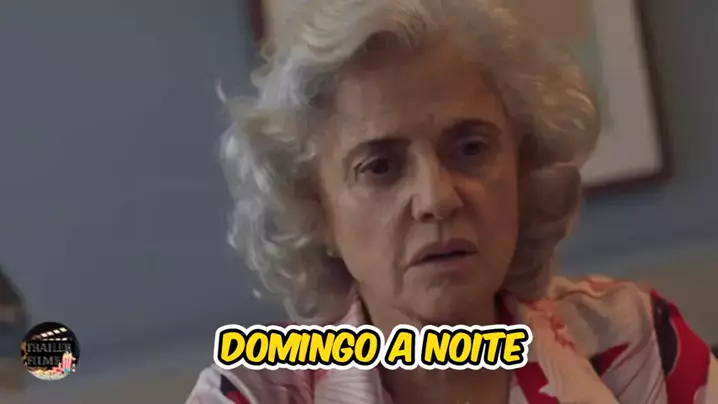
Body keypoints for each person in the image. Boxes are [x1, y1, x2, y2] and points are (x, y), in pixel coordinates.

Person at [187, 0, 718, 402]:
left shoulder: (635, 341)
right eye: (380, 167)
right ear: (316, 211)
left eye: (471, 148)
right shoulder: (249, 394)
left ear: (522, 170)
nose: (437, 198)